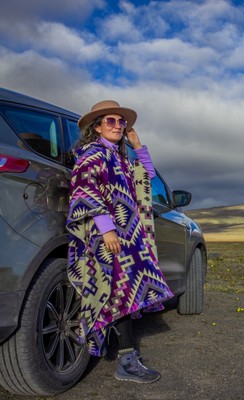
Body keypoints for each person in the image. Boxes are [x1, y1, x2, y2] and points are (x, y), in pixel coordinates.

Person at [66, 100, 174, 383]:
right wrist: (107, 229)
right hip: (109, 236)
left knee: (124, 292)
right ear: (97, 126)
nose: (117, 125)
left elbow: (147, 179)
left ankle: (126, 357)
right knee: (120, 291)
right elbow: (84, 190)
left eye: (121, 122)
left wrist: (138, 146)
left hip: (127, 237)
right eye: (110, 121)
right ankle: (127, 360)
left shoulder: (119, 157)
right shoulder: (92, 154)